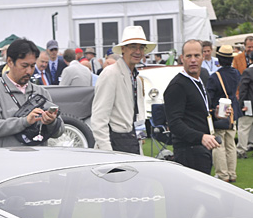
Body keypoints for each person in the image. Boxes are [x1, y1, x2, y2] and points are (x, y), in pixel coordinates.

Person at [0, 38, 62, 148]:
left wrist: (52, 122)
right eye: (24, 66)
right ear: (9, 62)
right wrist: (24, 122)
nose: (29, 71)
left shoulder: (41, 92)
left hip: (38, 161)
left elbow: (60, 131)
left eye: (32, 66)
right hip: (6, 161)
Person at [91, 26, 154, 153]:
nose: (138, 51)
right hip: (115, 145)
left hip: (132, 144)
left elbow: (139, 114)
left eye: (141, 47)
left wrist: (140, 143)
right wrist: (108, 153)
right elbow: (99, 119)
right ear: (123, 49)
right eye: (133, 47)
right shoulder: (110, 74)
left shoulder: (137, 79)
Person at [163, 39, 220, 173]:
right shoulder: (177, 86)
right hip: (188, 151)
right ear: (182, 59)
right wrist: (201, 137)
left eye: (196, 56)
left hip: (202, 148)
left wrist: (215, 115)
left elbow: (198, 113)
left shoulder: (201, 80)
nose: (193, 60)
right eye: (189, 56)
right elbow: (175, 124)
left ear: (203, 57)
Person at [206, 44, 240, 182]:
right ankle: (232, 173)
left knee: (218, 144)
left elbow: (209, 97)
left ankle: (222, 174)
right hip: (233, 113)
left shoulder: (214, 77)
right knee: (231, 144)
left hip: (220, 113)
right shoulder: (237, 73)